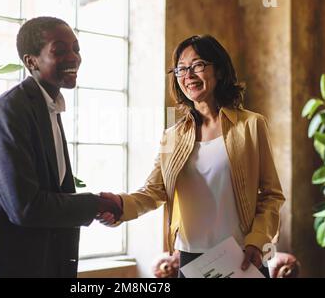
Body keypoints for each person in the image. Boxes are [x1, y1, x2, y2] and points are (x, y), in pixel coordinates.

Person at [0, 17, 122, 278]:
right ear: (31, 61)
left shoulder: (48, 106)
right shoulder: (11, 109)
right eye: (60, 50)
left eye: (76, 48)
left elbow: (51, 191)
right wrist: (93, 204)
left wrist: (96, 207)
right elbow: (24, 207)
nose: (74, 57)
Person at [98, 35, 285, 278]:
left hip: (243, 254)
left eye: (197, 65)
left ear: (218, 70)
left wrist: (257, 240)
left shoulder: (251, 125)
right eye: (181, 69)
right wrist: (121, 205)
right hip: (191, 259)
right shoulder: (171, 134)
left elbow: (272, 195)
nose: (188, 75)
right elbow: (154, 190)